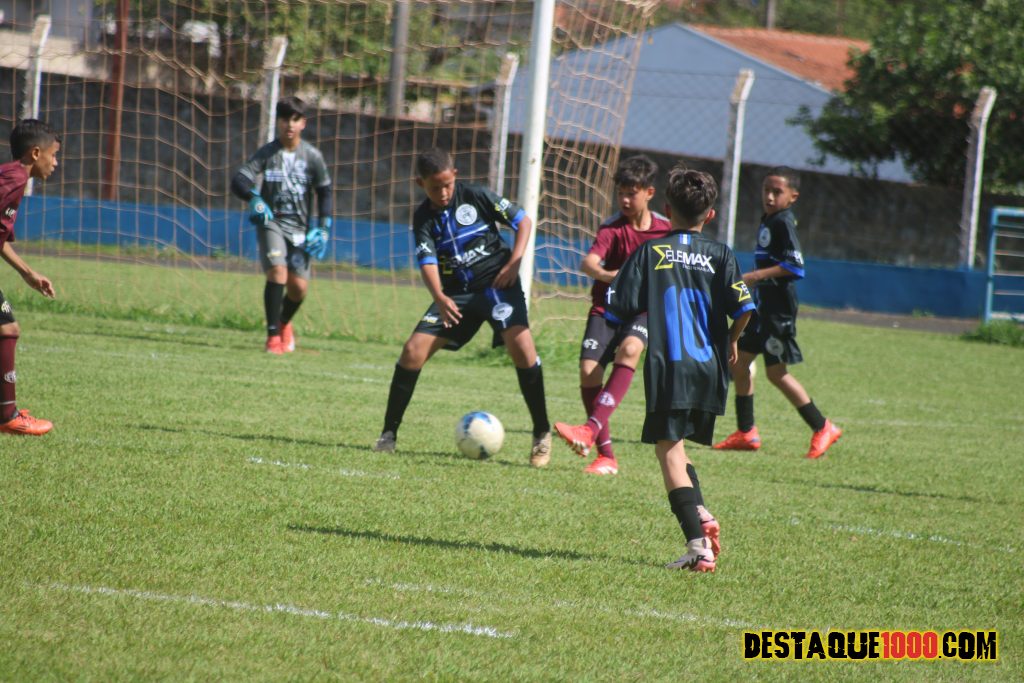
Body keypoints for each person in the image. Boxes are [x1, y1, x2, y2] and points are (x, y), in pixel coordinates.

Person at [603, 165, 754, 571]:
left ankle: (697, 548)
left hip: (671, 367)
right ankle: (700, 512)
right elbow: (745, 308)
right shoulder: (722, 254)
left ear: (667, 210)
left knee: (667, 450)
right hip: (710, 368)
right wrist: (732, 339)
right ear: (711, 214)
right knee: (678, 444)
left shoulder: (650, 252)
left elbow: (617, 304)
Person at [373, 148, 551, 467]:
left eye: (447, 185)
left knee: (522, 348)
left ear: (454, 175)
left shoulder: (477, 195)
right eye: (435, 188)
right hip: (456, 295)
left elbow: (523, 221)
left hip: (498, 286)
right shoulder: (423, 217)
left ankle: (541, 433)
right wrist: (440, 297)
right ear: (420, 184)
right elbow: (427, 261)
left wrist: (514, 263)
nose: (443, 193)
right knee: (412, 351)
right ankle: (388, 435)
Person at [553, 155, 673, 475]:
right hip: (607, 308)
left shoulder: (665, 231)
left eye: (631, 193)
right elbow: (589, 263)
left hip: (643, 312)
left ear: (649, 193)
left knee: (630, 349)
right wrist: (612, 276)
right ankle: (606, 455)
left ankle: (589, 430)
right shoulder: (612, 227)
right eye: (620, 193)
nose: (624, 200)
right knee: (588, 371)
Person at [712, 166, 842, 459]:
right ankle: (746, 432)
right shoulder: (770, 219)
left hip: (778, 311)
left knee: (776, 373)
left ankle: (823, 427)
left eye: (777, 192)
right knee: (740, 363)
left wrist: (755, 276)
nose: (769, 197)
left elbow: (795, 266)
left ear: (792, 196)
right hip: (762, 308)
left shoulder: (783, 222)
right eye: (766, 190)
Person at [231, 96, 332, 355]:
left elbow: (325, 192)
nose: (290, 124)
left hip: (300, 229)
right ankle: (273, 337)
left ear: (303, 123)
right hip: (272, 223)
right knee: (278, 272)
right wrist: (254, 198)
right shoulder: (267, 153)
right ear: (278, 122)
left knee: (298, 288)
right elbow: (240, 179)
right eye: (285, 119)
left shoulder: (312, 156)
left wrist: (324, 227)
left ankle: (284, 322)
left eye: (295, 119)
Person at [0, 119, 59, 436]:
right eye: (54, 154)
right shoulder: (13, 178)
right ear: (36, 153)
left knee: (7, 328)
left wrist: (28, 273)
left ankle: (7, 414)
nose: (55, 162)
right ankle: (7, 416)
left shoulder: (14, 178)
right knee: (7, 328)